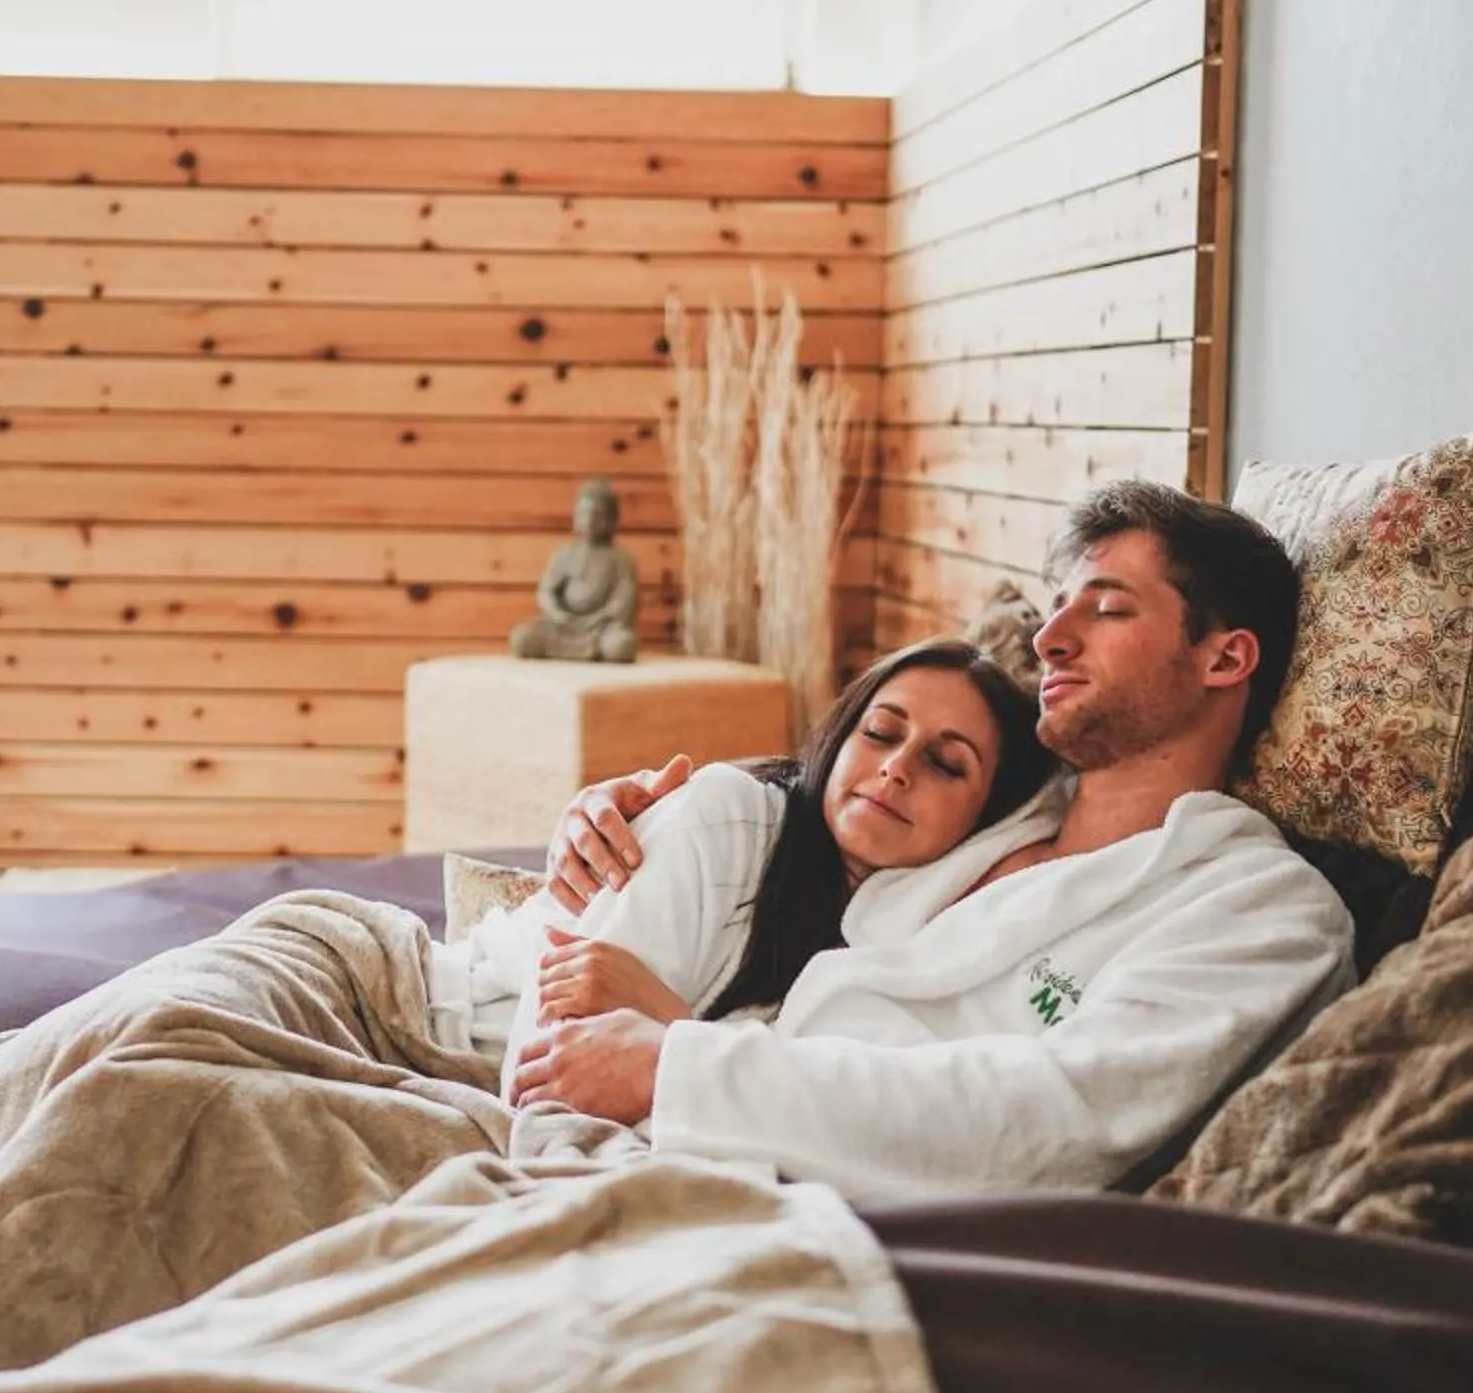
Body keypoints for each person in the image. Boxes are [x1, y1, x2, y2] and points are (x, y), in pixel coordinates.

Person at [508, 480, 1355, 1205]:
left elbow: (1058, 1122)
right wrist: (625, 810)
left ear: (1225, 659)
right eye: (1057, 607)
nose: (1049, 639)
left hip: (840, 1208)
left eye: (1106, 609)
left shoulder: (1258, 908)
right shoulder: (1008, 811)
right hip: (701, 1125)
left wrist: (675, 1064)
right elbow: (814, 812)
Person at [472, 639, 1055, 1094]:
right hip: (446, 1014)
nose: (896, 767)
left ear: (990, 819)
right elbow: (548, 1068)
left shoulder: (922, 938)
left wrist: (671, 1024)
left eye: (946, 764)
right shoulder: (728, 816)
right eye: (879, 732)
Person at [508, 474, 640, 660]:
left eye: (597, 514)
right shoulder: (564, 554)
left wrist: (599, 618)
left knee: (622, 646)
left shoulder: (621, 559)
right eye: (583, 513)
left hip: (599, 629)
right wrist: (557, 614)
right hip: (563, 626)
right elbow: (546, 592)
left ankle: (595, 649)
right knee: (521, 638)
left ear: (611, 520)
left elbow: (623, 601)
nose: (589, 520)